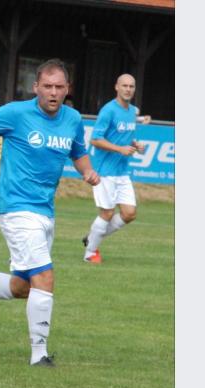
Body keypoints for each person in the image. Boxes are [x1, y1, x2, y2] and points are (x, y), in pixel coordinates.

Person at [0, 58, 100, 366]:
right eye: (47, 86)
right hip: (15, 208)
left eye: (59, 87)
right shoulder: (16, 113)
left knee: (22, 286)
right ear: (36, 87)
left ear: (68, 89)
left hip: (45, 212)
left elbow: (78, 153)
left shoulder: (73, 119)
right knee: (45, 278)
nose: (53, 92)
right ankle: (39, 355)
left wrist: (88, 172)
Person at [82, 74, 151, 263]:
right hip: (105, 171)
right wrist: (120, 149)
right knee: (107, 213)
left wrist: (136, 145)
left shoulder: (131, 111)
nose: (128, 89)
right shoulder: (108, 110)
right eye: (124, 86)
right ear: (116, 87)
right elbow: (95, 139)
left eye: (131, 86)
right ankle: (90, 254)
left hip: (122, 172)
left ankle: (92, 238)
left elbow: (125, 137)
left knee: (129, 213)